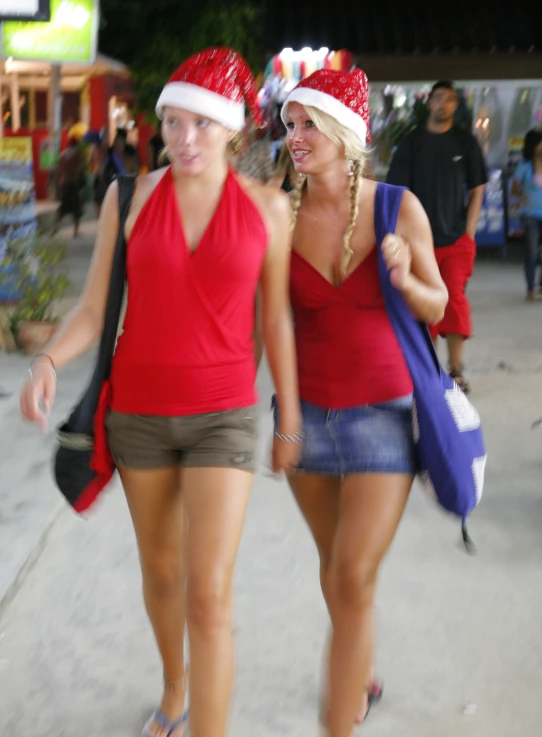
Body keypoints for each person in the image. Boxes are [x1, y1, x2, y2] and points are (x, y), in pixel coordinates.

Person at [20, 47, 301, 737]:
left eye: (202, 124)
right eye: (173, 123)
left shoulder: (268, 209)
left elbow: (276, 319)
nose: (184, 138)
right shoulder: (130, 196)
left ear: (233, 129)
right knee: (163, 573)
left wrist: (288, 417)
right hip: (139, 415)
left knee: (208, 595)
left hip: (225, 418)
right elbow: (93, 310)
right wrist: (48, 360)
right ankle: (174, 687)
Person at [277, 69, 448, 737]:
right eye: (290, 125)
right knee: (337, 570)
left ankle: (339, 717)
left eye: (309, 124)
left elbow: (438, 305)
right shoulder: (278, 214)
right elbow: (269, 321)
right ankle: (363, 668)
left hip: (383, 412)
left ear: (345, 134)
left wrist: (407, 278)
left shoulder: (396, 206)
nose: (295, 137)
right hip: (307, 420)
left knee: (351, 573)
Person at [386, 80, 487, 394]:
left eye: (450, 99)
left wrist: (469, 233)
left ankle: (455, 369)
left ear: (456, 105)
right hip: (418, 242)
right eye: (438, 98)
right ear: (429, 102)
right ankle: (428, 369)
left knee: (454, 300)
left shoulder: (464, 142)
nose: (444, 104)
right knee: (421, 304)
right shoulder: (411, 143)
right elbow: (396, 193)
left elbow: (477, 188)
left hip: (455, 240)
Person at [511, 129, 542, 300]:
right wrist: (521, 194)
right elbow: (514, 188)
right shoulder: (524, 167)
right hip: (530, 215)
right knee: (531, 251)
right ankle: (530, 289)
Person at [52, 136, 85, 237]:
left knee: (63, 207)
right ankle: (75, 231)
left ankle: (55, 227)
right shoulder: (76, 154)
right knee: (76, 208)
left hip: (64, 183)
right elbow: (80, 168)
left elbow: (58, 171)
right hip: (73, 183)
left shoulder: (62, 155)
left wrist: (57, 184)